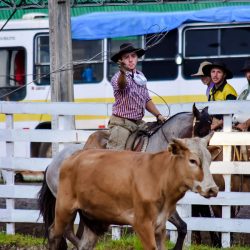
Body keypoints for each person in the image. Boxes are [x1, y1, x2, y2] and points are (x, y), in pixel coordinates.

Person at [107, 43, 166, 150]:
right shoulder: (117, 77)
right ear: (121, 61)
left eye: (133, 56)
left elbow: (146, 99)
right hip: (122, 124)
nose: (130, 60)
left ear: (137, 58)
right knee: (116, 155)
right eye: (126, 57)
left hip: (138, 123)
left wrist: (158, 115)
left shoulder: (141, 76)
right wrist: (123, 72)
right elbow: (122, 85)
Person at [202, 61, 237, 130]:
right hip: (215, 126)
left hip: (228, 127)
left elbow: (231, 114)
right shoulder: (211, 90)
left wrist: (215, 126)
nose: (215, 75)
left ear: (224, 75)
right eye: (213, 72)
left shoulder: (229, 91)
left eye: (219, 72)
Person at [234, 58, 250, 131]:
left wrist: (245, 125)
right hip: (238, 127)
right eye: (247, 71)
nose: (249, 74)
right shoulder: (244, 88)